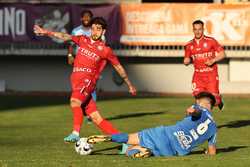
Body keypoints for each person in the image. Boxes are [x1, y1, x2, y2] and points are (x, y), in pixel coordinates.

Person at [33, 17, 136, 143]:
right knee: (96, 118)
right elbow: (65, 36)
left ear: (103, 31)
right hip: (76, 82)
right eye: (93, 28)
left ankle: (75, 133)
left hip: (87, 82)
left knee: (75, 102)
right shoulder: (83, 39)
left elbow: (118, 67)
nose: (95, 31)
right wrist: (46, 32)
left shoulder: (105, 50)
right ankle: (124, 141)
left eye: (98, 29)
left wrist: (129, 84)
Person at [87, 92, 217, 158]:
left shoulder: (199, 107)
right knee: (130, 150)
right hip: (172, 152)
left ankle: (110, 138)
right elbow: (212, 152)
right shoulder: (214, 129)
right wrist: (206, 152)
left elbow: (197, 112)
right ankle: (143, 151)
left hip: (164, 134)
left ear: (201, 102)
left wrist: (193, 110)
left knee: (129, 138)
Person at [184, 20, 225, 110]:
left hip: (211, 74)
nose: (197, 31)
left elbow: (222, 54)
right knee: (199, 100)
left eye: (200, 29)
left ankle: (219, 100)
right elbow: (187, 59)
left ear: (203, 29)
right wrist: (186, 61)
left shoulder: (211, 41)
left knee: (213, 101)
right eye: (195, 29)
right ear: (193, 30)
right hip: (198, 76)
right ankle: (203, 122)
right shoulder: (188, 45)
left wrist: (213, 60)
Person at [67, 10, 96, 124]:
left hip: (92, 63)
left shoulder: (95, 30)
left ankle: (90, 114)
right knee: (78, 87)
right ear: (81, 18)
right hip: (79, 63)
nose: (86, 18)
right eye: (84, 16)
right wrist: (70, 55)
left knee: (91, 87)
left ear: (92, 18)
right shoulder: (76, 31)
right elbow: (71, 44)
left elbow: (101, 45)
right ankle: (84, 110)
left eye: (88, 16)